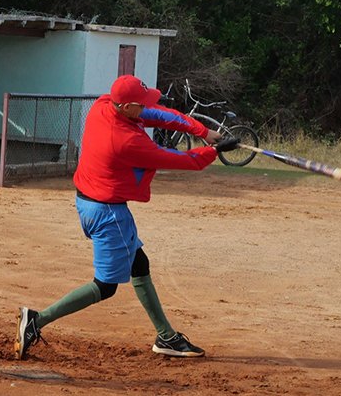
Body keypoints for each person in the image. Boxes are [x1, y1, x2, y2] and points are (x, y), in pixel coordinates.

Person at [14, 75, 239, 360]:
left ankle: (166, 336)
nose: (146, 109)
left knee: (139, 263)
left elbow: (158, 114)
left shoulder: (103, 105)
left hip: (92, 202)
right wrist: (214, 151)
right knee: (106, 286)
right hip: (109, 213)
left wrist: (203, 131)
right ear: (128, 107)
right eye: (141, 105)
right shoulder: (127, 142)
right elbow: (182, 161)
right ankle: (37, 320)